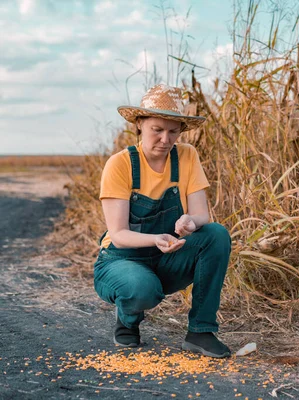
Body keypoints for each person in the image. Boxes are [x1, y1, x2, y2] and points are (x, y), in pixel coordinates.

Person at [93, 84, 231, 358]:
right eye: (157, 129)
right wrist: (156, 239)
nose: (165, 139)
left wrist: (190, 222)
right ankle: (128, 319)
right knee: (143, 289)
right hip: (121, 260)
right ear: (140, 125)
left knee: (216, 235)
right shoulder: (120, 164)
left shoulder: (187, 156)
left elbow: (202, 215)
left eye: (173, 131)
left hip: (167, 257)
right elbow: (119, 233)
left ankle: (200, 332)